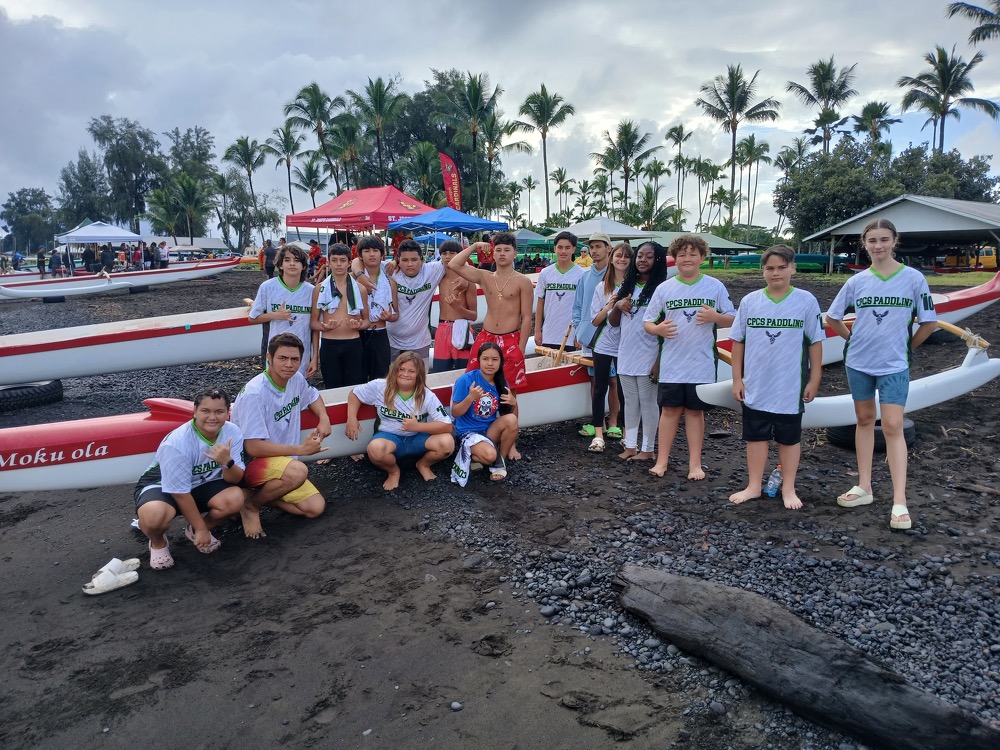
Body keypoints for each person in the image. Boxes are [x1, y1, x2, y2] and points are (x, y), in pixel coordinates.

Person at [825, 219, 937, 529]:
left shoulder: (913, 279)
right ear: (865, 243)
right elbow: (834, 317)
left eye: (884, 239)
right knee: (862, 420)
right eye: (872, 240)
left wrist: (907, 347)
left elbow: (928, 322)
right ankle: (864, 487)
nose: (878, 245)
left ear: (894, 241)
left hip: (894, 365)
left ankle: (899, 501)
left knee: (892, 425)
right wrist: (852, 341)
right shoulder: (857, 282)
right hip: (858, 363)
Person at [728, 244, 824, 510]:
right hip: (757, 385)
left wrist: (815, 378)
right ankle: (754, 486)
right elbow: (738, 342)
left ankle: (789, 488)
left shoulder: (806, 301)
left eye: (782, 267)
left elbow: (815, 343)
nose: (776, 273)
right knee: (755, 436)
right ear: (763, 271)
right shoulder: (750, 301)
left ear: (793, 268)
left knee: (789, 439)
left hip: (790, 386)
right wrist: (737, 379)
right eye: (770, 268)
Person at [644, 235, 736, 480]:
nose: (687, 258)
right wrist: (658, 329)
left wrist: (716, 318)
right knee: (670, 411)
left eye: (693, 254)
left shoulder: (715, 286)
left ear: (702, 259)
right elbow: (647, 322)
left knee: (695, 413)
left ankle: (695, 464)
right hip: (672, 365)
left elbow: (733, 317)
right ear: (675, 258)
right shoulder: (664, 288)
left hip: (701, 364)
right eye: (682, 254)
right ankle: (661, 460)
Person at [230, 333, 331, 539]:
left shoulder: (296, 379)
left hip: (282, 463)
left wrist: (324, 417)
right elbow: (253, 447)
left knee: (315, 507)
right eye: (282, 358)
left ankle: (252, 496)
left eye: (294, 359)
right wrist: (300, 450)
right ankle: (251, 505)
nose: (289, 365)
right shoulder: (255, 394)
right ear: (269, 357)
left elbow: (313, 396)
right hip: (249, 464)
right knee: (298, 472)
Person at [134, 388, 247, 569]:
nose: (212, 417)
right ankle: (158, 542)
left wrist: (227, 462)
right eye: (205, 411)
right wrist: (203, 529)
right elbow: (180, 493)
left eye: (219, 412)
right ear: (194, 412)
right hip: (163, 485)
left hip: (201, 483)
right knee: (154, 517)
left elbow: (235, 479)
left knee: (235, 499)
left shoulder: (232, 432)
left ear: (227, 413)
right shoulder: (177, 443)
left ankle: (194, 530)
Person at [449, 232, 532, 460]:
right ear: (492, 253)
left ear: (515, 253)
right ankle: (473, 433)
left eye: (507, 250)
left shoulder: (523, 281)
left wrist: (521, 348)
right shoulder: (485, 276)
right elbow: (455, 263)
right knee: (474, 384)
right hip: (486, 338)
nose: (502, 254)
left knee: (509, 392)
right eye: (498, 250)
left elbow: (527, 317)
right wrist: (475, 245)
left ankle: (511, 441)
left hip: (510, 339)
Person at [346, 352, 455, 491]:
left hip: (417, 438)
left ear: (419, 375)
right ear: (395, 370)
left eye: (411, 371)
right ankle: (393, 472)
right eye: (401, 369)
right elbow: (354, 394)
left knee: (447, 444)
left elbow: (447, 426)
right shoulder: (380, 386)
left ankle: (423, 464)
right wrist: (352, 418)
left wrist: (417, 426)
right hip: (389, 438)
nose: (405, 374)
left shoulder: (427, 395)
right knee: (375, 449)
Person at [611, 241, 669, 461]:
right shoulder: (626, 287)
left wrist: (658, 362)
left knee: (648, 403)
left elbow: (666, 329)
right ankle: (631, 446)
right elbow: (614, 323)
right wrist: (617, 306)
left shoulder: (661, 291)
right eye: (640, 256)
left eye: (649, 256)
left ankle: (648, 449)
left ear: (658, 260)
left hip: (649, 354)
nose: (643, 260)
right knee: (630, 402)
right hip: (626, 353)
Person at [572, 232, 621, 439]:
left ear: (608, 248)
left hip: (613, 335)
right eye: (591, 247)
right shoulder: (584, 277)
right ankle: (597, 421)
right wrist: (578, 329)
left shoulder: (617, 274)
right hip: (589, 336)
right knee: (595, 381)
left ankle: (614, 422)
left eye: (599, 246)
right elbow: (578, 306)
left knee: (614, 380)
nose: (594, 250)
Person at [450, 341, 520, 483]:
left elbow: (508, 416)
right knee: (489, 455)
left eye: (494, 359)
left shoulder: (502, 382)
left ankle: (499, 462)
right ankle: (480, 455)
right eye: (485, 359)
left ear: (500, 362)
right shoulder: (466, 380)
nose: (490, 363)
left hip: (489, 431)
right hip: (468, 432)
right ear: (479, 360)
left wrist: (514, 403)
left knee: (512, 420)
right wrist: (470, 398)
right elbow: (455, 412)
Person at [585, 243, 631, 452]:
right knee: (600, 388)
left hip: (628, 344)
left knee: (625, 390)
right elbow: (595, 320)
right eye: (618, 256)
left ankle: (627, 433)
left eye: (626, 257)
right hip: (604, 343)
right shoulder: (601, 287)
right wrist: (611, 305)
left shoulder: (636, 287)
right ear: (612, 258)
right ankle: (598, 435)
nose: (622, 259)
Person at [248, 243, 318, 377]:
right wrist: (275, 315)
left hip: (301, 354)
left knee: (297, 392)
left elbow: (315, 328)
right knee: (275, 389)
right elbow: (252, 318)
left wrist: (315, 358)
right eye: (287, 260)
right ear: (280, 265)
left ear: (303, 266)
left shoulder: (311, 291)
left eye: (297, 260)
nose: (292, 264)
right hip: (276, 352)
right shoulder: (268, 287)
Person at [311, 243, 368, 388]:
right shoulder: (319, 289)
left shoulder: (360, 289)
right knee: (332, 388)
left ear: (349, 263)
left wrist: (360, 325)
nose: (338, 264)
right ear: (329, 262)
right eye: (334, 260)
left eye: (342, 260)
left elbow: (367, 320)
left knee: (354, 389)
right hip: (329, 344)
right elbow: (313, 323)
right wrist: (324, 327)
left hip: (353, 343)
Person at [385, 239, 447, 367]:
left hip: (419, 342)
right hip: (391, 341)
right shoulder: (390, 270)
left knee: (420, 382)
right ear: (398, 261)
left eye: (414, 260)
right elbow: (358, 262)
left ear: (422, 260)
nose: (410, 264)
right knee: (391, 382)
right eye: (405, 260)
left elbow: (456, 260)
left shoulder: (432, 270)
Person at [353, 235, 399, 380]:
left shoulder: (389, 280)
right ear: (360, 255)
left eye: (375, 250)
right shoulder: (353, 279)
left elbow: (396, 314)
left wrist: (390, 317)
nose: (371, 254)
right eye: (366, 251)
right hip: (357, 334)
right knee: (357, 379)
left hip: (380, 333)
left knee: (380, 381)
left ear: (382, 254)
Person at [432, 240, 479, 372]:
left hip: (461, 328)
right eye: (444, 253)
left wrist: (458, 307)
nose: (447, 257)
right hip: (441, 329)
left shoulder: (468, 281)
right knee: (439, 372)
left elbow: (474, 316)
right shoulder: (439, 276)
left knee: (464, 371)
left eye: (452, 253)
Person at [534, 231, 585, 349]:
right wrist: (537, 330)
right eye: (560, 247)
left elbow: (584, 306)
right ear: (554, 248)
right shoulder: (545, 273)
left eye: (567, 248)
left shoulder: (582, 274)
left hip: (572, 336)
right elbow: (540, 303)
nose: (563, 251)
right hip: (549, 334)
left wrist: (580, 333)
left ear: (573, 249)